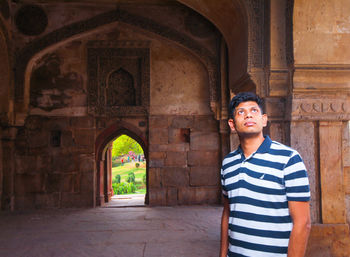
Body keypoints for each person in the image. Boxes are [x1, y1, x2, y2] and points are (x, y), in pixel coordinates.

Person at [220, 92, 311, 257]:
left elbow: (302, 222)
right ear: (232, 125)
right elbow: (228, 213)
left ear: (264, 119)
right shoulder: (228, 164)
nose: (248, 114)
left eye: (254, 110)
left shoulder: (289, 159)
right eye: (241, 112)